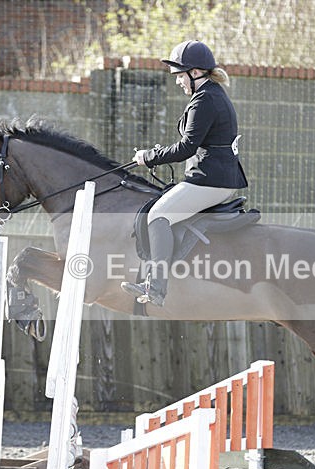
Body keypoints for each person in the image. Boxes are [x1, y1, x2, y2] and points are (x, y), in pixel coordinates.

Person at [121, 40, 248, 307]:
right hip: (213, 176)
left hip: (211, 180)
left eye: (180, 75)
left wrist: (149, 157)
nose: (178, 81)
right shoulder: (208, 95)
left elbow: (186, 147)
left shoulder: (206, 100)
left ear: (195, 72)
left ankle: (156, 286)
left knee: (158, 214)